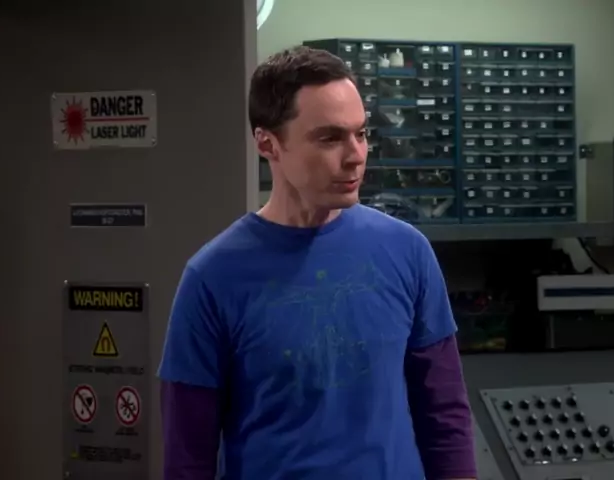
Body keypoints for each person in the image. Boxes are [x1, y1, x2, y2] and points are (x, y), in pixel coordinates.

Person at [157, 46, 476, 480]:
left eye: (361, 134)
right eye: (329, 138)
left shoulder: (408, 252)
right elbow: (187, 456)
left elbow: (445, 416)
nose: (355, 155)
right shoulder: (212, 277)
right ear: (268, 143)